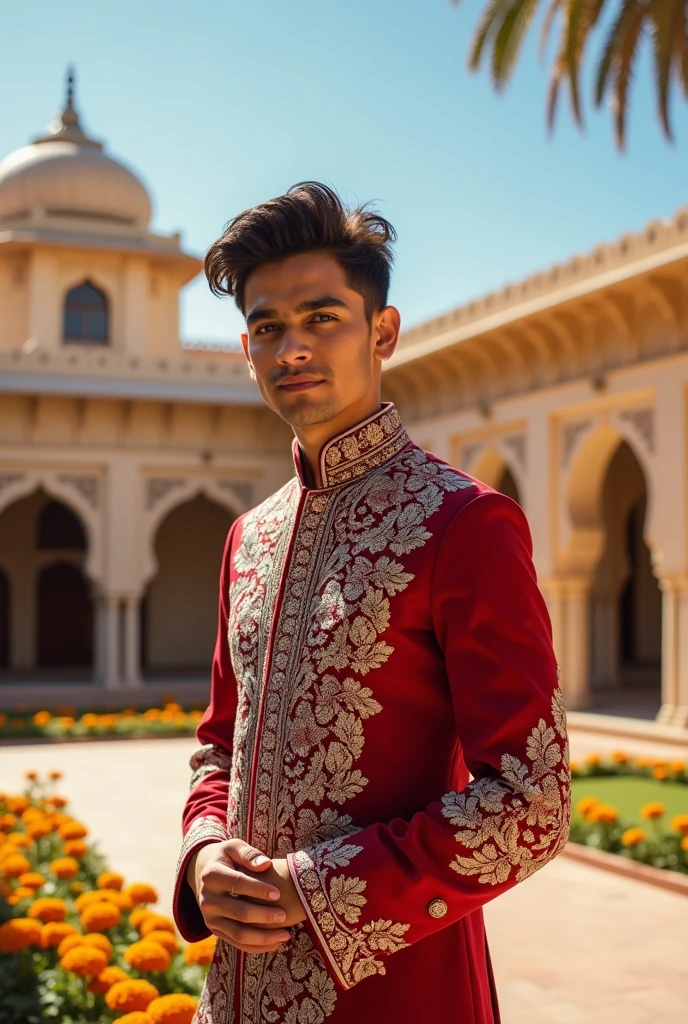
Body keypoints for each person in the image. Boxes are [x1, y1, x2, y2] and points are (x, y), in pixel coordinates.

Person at [172, 182, 571, 1024]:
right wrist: (204, 853)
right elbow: (217, 750)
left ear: (381, 332)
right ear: (247, 350)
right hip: (237, 995)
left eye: (323, 318)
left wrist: (314, 889)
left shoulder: (462, 524)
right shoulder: (251, 539)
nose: (294, 349)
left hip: (399, 990)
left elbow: (532, 802)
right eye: (270, 328)